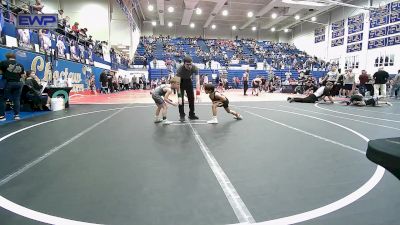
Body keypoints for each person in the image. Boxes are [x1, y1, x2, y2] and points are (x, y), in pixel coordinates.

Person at [0, 53, 25, 121]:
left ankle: (2, 116)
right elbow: (23, 76)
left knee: (2, 99)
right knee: (16, 99)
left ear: (7, 57)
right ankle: (16, 115)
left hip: (8, 83)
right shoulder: (20, 65)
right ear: (15, 57)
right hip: (18, 83)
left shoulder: (3, 62)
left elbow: (1, 72)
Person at [176, 56, 199, 121]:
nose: (189, 66)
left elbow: (197, 81)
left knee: (191, 98)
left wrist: (198, 93)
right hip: (180, 82)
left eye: (190, 64)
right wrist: (180, 96)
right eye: (187, 64)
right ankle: (182, 115)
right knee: (181, 100)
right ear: (184, 64)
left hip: (188, 81)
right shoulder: (179, 69)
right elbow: (177, 83)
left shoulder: (194, 67)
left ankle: (191, 114)